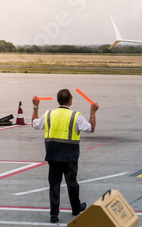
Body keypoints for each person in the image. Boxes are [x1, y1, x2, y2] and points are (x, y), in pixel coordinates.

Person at [31, 89, 99, 223]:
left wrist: (35, 107)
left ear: (58, 100)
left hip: (53, 156)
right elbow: (90, 128)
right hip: (70, 157)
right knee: (72, 183)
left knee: (54, 185)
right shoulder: (75, 116)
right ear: (70, 101)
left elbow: (34, 124)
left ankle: (54, 214)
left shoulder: (49, 114)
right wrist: (92, 112)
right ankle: (75, 207)